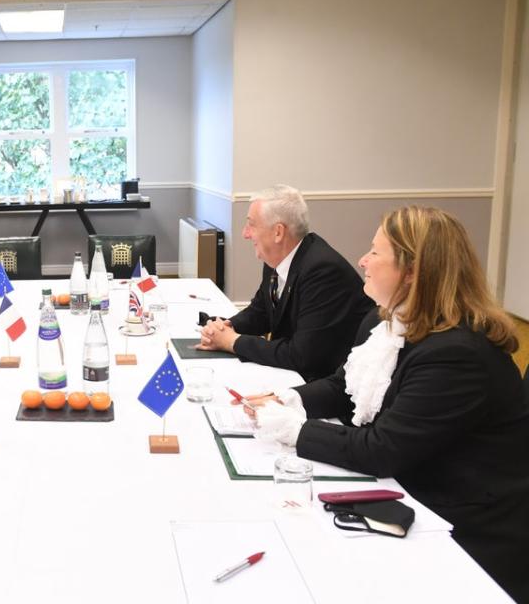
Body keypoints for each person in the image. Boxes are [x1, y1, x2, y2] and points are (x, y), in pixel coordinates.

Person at [244, 206, 529, 602]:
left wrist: (294, 430)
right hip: (409, 490)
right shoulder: (386, 323)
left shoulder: (458, 354)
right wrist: (287, 398)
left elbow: (381, 450)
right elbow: (345, 387)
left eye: (376, 253)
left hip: (464, 532)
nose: (362, 260)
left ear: (413, 271)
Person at [199, 184, 374, 381]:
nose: (245, 234)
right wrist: (225, 326)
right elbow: (262, 311)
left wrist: (234, 342)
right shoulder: (277, 257)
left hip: (329, 387)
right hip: (296, 374)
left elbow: (303, 355)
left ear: (278, 232)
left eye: (251, 225)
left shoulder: (322, 271)